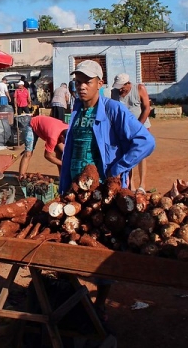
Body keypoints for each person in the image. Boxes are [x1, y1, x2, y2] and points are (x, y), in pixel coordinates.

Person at [60, 60, 155, 318]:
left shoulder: (113, 110)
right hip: (74, 192)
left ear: (100, 84)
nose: (81, 87)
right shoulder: (77, 110)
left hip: (103, 193)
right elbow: (69, 151)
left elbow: (146, 142)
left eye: (86, 82)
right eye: (77, 81)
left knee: (101, 245)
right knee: (68, 242)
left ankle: (100, 305)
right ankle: (73, 301)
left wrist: (117, 168)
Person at [111, 73, 152, 193]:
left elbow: (146, 108)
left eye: (122, 86)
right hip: (124, 129)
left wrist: (139, 126)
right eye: (119, 87)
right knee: (128, 155)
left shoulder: (139, 88)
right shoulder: (115, 93)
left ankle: (142, 185)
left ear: (128, 83)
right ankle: (131, 185)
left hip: (141, 126)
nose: (121, 89)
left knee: (141, 156)